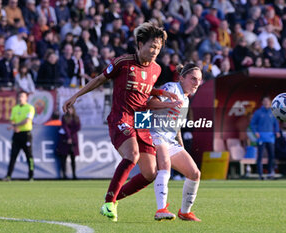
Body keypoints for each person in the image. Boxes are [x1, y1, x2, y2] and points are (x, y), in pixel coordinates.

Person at [62, 22, 178, 222]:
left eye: (158, 48)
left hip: (142, 119)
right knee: (132, 155)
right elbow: (99, 79)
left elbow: (146, 93)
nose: (154, 51)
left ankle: (113, 200)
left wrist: (162, 96)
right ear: (140, 44)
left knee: (150, 173)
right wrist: (76, 95)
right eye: (151, 46)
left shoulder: (157, 69)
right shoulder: (123, 62)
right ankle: (108, 202)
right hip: (121, 116)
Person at [147, 63, 202, 222]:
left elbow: (175, 126)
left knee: (194, 174)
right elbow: (149, 103)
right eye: (193, 79)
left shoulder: (186, 99)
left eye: (198, 80)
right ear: (182, 77)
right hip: (156, 134)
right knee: (165, 166)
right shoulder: (171, 88)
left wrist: (181, 145)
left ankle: (185, 212)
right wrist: (168, 104)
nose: (196, 83)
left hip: (169, 140)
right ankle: (161, 209)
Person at [4, 91, 35, 181]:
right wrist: (14, 127)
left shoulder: (30, 108)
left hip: (26, 134)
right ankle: (8, 176)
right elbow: (12, 120)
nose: (20, 98)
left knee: (29, 156)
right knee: (13, 155)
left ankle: (31, 176)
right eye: (20, 96)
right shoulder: (15, 108)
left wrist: (15, 126)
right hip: (17, 134)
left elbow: (27, 120)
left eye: (22, 96)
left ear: (26, 98)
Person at [250, 96, 280, 180]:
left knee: (271, 156)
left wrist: (277, 131)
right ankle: (260, 174)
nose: (266, 103)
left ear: (270, 103)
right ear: (262, 102)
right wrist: (255, 132)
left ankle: (270, 173)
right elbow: (252, 124)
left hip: (270, 138)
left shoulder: (273, 112)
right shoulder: (258, 112)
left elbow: (276, 123)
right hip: (261, 138)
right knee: (260, 156)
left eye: (268, 101)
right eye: (265, 101)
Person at [57, 106, 81, 179]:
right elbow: (65, 128)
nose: (70, 110)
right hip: (65, 140)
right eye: (68, 109)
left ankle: (74, 175)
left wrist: (71, 136)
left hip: (73, 140)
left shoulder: (76, 118)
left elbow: (78, 127)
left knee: (73, 158)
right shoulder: (64, 118)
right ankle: (64, 175)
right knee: (63, 158)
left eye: (71, 109)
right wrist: (69, 137)